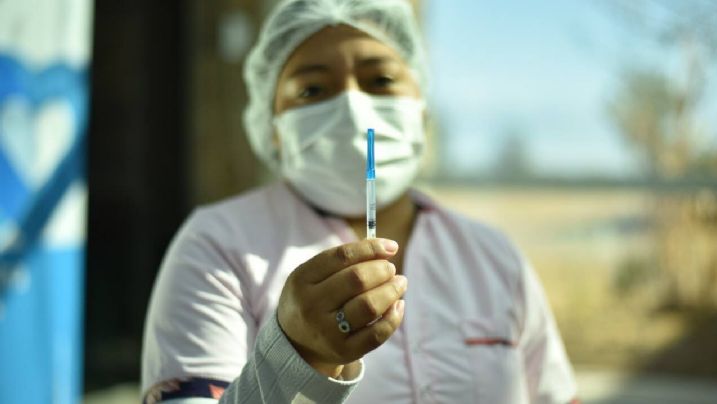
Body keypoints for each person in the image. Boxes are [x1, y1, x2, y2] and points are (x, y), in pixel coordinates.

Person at [141, 0, 579, 403]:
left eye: (381, 80)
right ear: (272, 126)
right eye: (312, 89)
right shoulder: (217, 246)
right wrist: (295, 357)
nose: (353, 106)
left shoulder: (493, 256)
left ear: (422, 111)